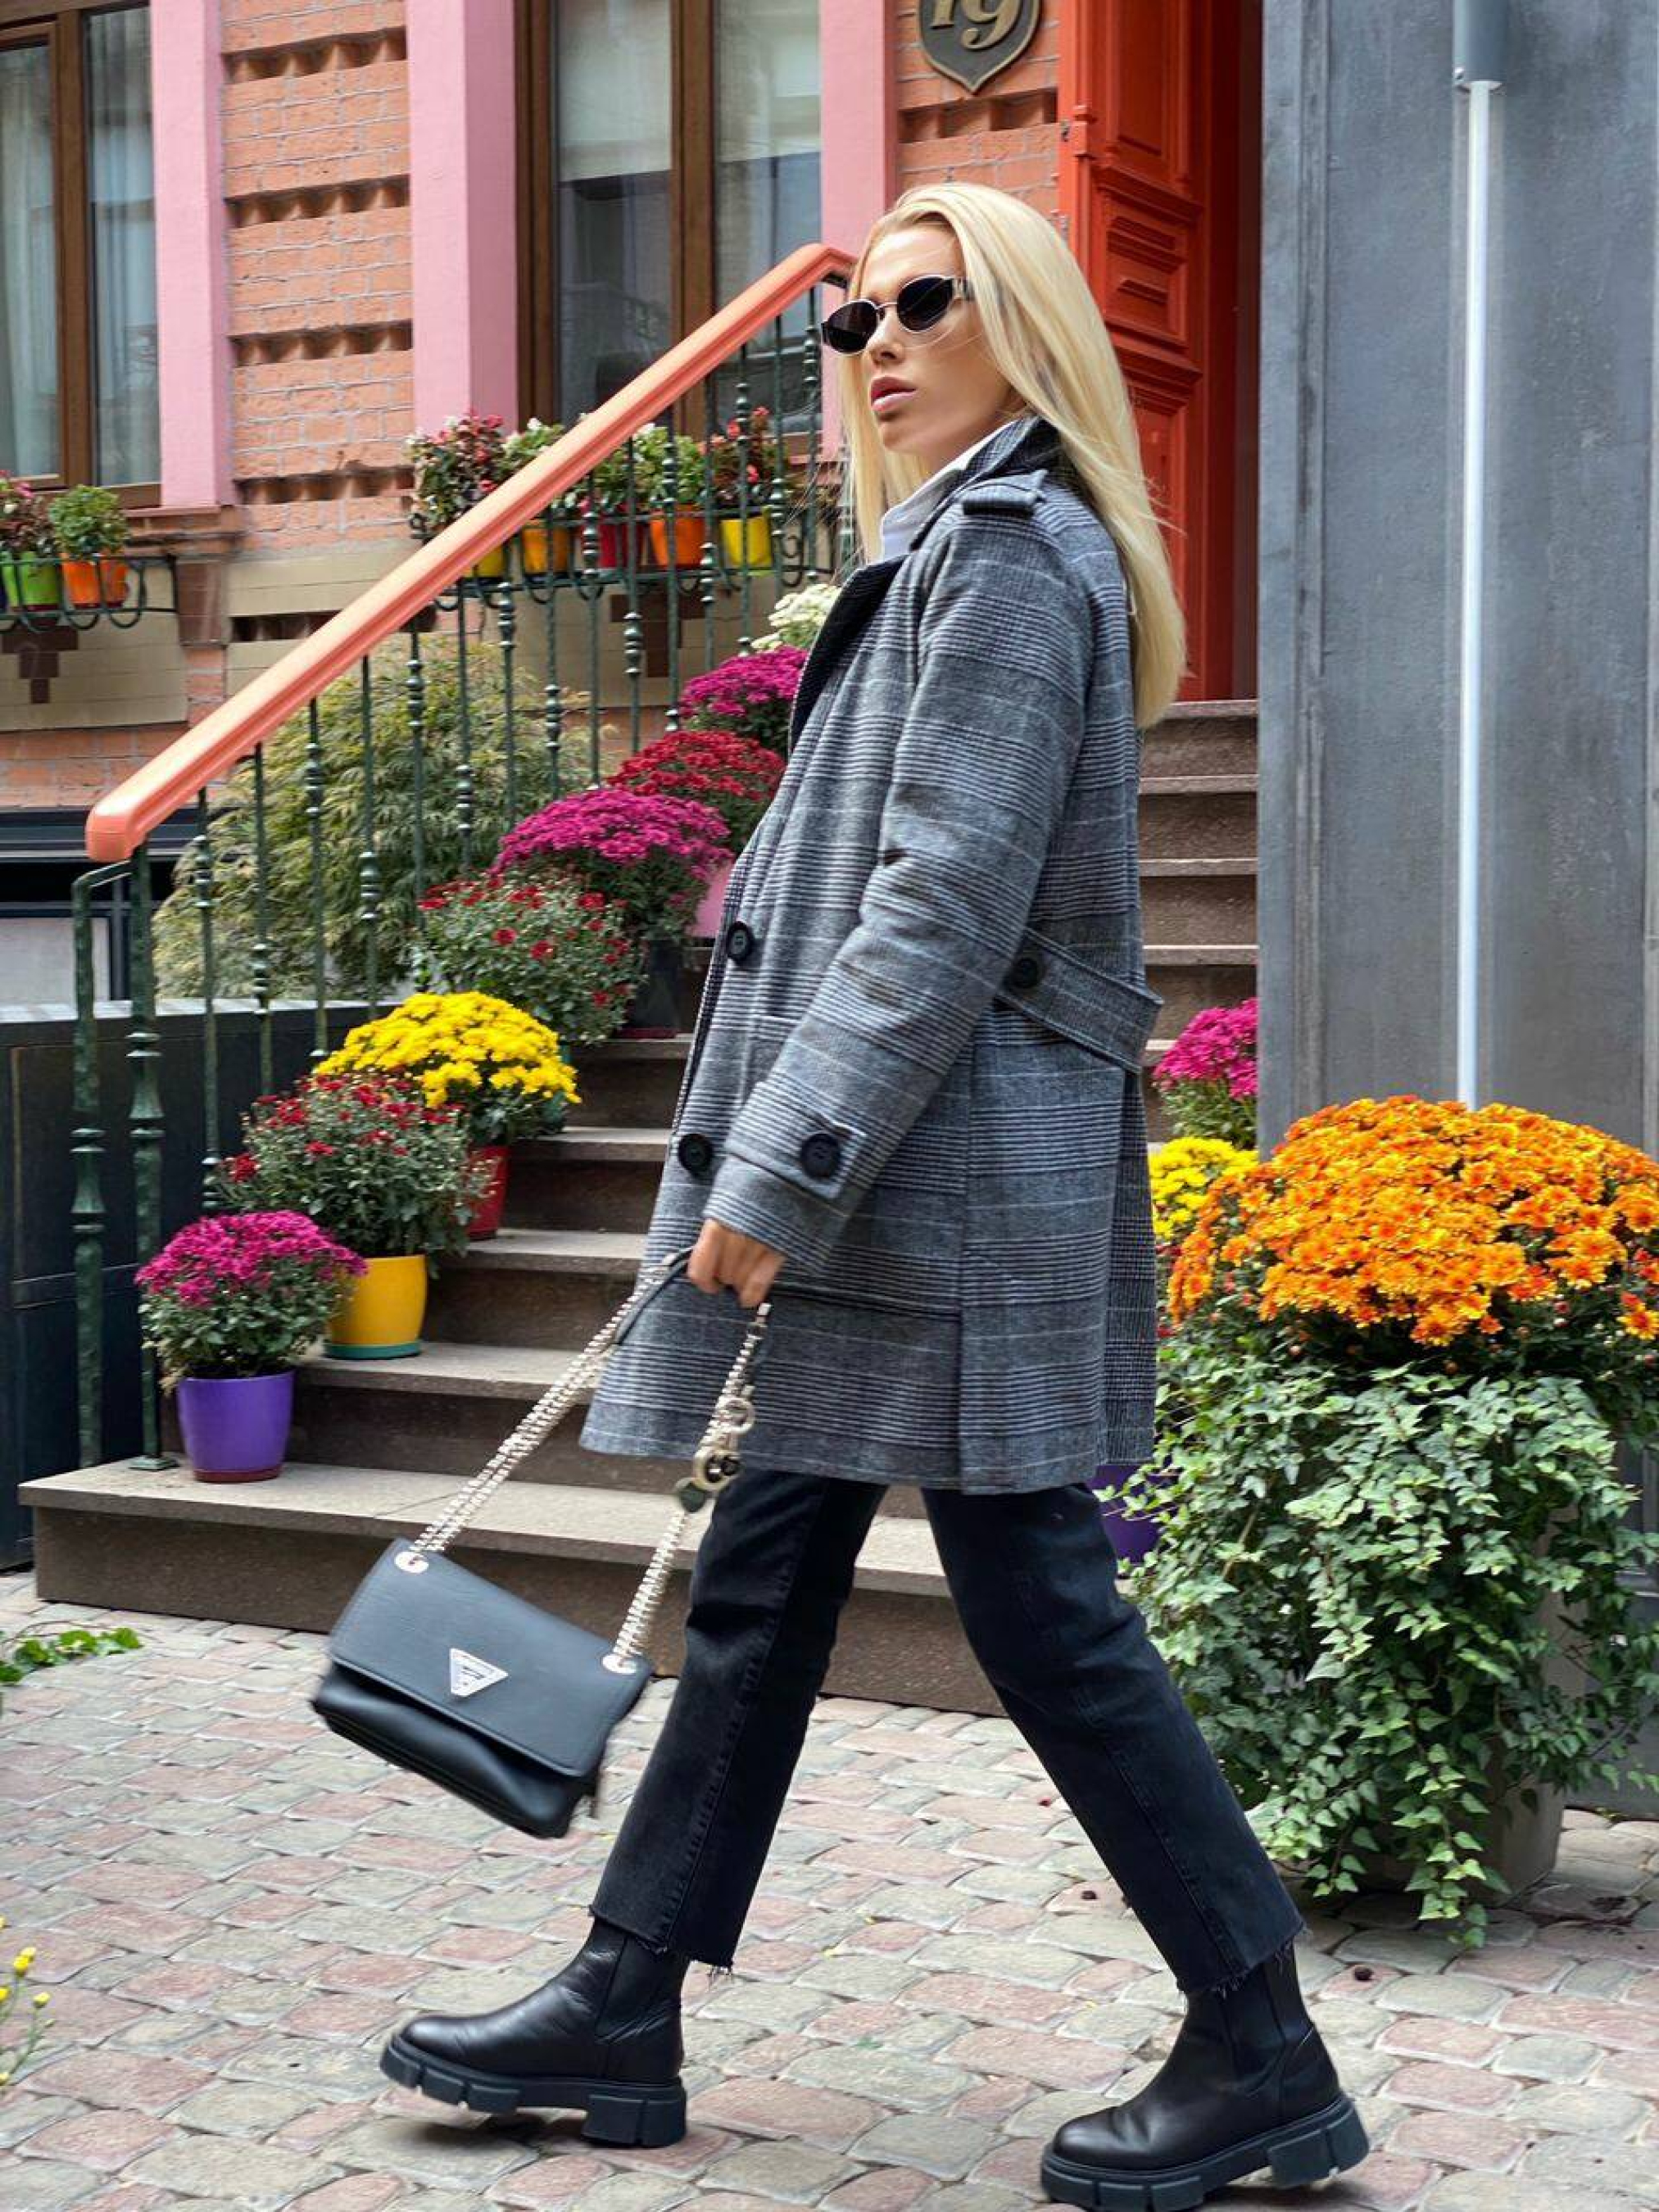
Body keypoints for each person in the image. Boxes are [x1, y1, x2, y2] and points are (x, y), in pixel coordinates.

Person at [378, 183, 1370, 2209]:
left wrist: (784, 1158)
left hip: (947, 1171)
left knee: (1037, 1604)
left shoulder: (1005, 555)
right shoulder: (943, 548)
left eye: (927, 304)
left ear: (1026, 328)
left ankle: (1262, 2045)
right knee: (762, 1578)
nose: (881, 345)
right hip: (910, 1162)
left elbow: (938, 904)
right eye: (854, 320)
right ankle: (625, 1997)